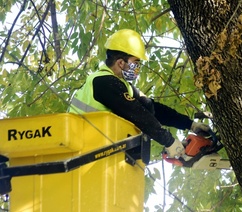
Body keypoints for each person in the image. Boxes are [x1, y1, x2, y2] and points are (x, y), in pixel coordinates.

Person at [68, 29, 211, 159]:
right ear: (120, 63)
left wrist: (189, 124)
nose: (137, 68)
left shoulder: (122, 86)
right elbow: (137, 114)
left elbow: (152, 108)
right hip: (83, 150)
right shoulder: (103, 82)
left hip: (99, 151)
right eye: (135, 62)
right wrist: (169, 141)